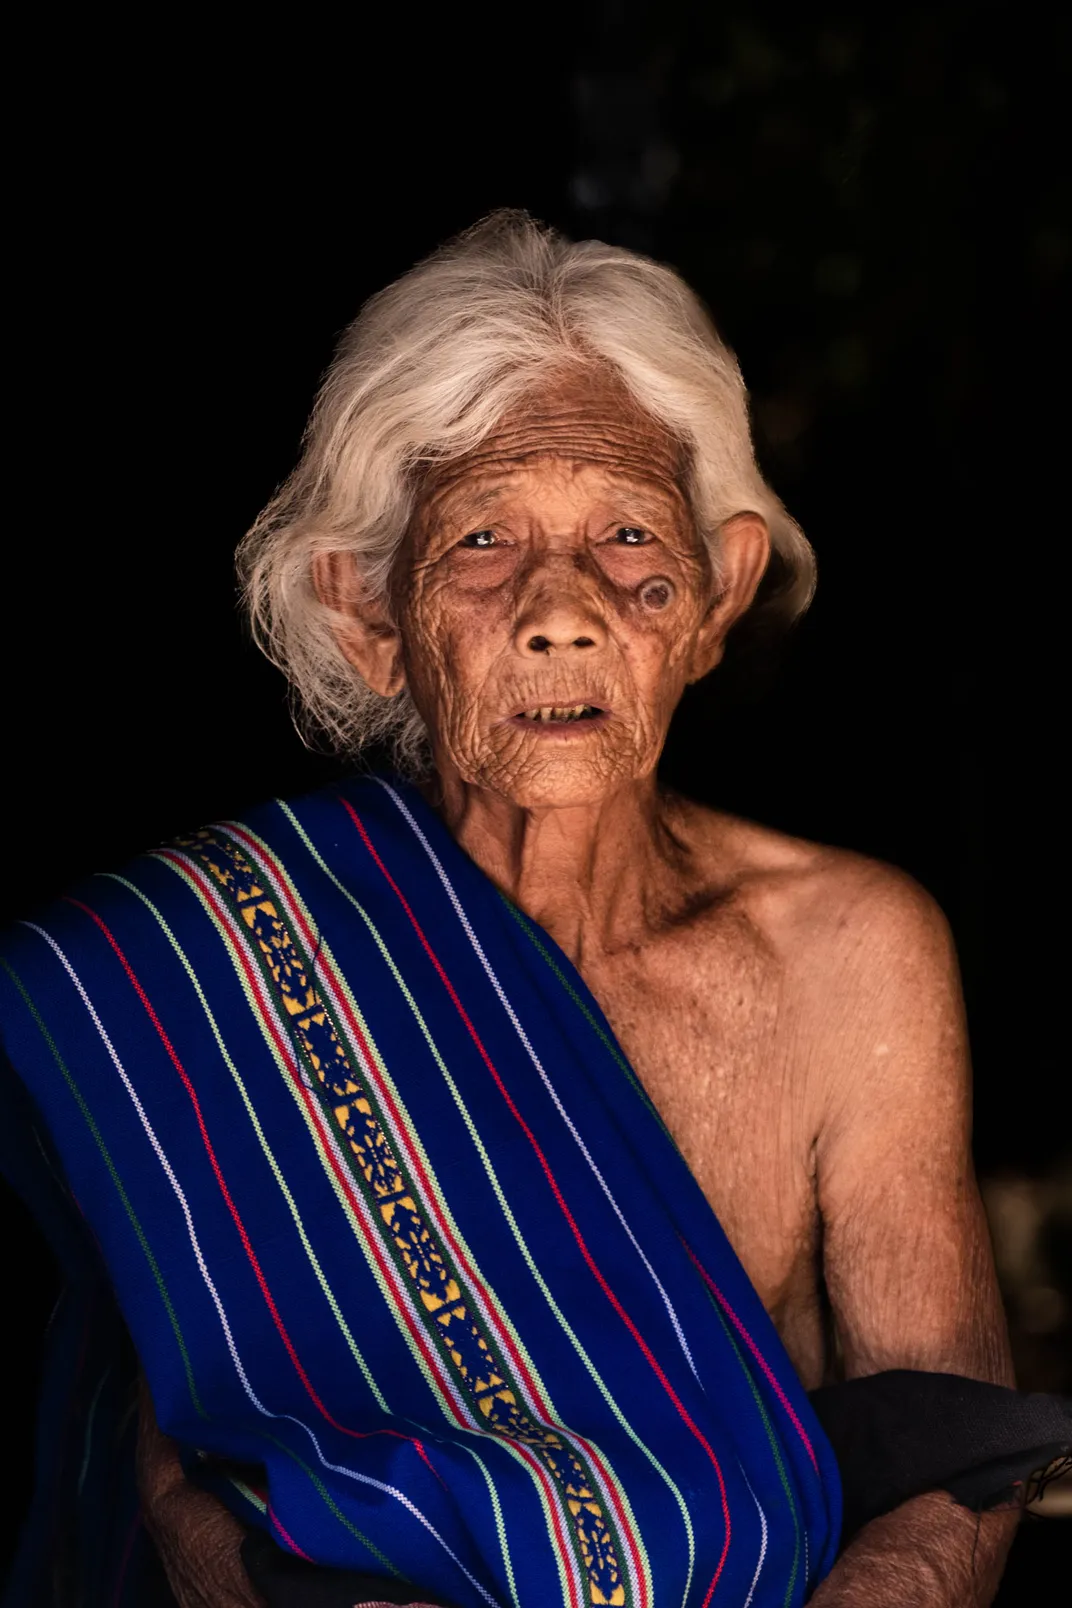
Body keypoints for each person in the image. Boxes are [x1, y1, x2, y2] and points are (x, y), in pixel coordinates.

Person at [2, 212, 1064, 1608]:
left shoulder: (848, 955)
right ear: (369, 612)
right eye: (485, 541)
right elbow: (182, 1459)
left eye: (627, 534)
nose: (563, 610)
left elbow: (953, 1460)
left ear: (717, 591)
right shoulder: (193, 977)